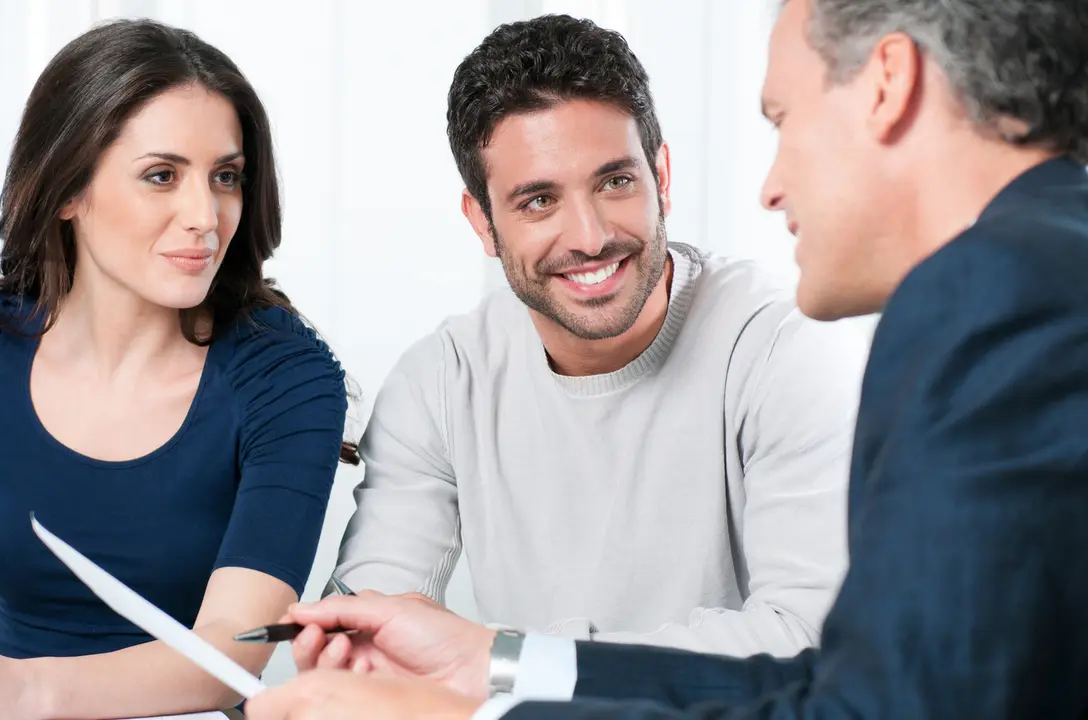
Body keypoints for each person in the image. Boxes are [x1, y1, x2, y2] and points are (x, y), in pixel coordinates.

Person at [243, 0, 1088, 717]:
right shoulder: (1030, 271)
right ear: (483, 221)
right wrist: (491, 663)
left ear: (888, 82)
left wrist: (479, 702)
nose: (770, 186)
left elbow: (860, 691)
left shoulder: (987, 296)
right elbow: (873, 685)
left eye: (783, 120)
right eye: (537, 199)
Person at [0, 18, 356, 720]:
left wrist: (23, 689)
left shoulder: (288, 377)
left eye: (225, 177)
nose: (205, 215)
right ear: (67, 191)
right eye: (162, 176)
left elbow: (228, 656)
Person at [328, 13, 867, 658]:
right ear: (483, 223)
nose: (589, 237)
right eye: (538, 201)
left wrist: (508, 664)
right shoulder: (441, 382)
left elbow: (810, 635)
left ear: (661, 178)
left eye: (615, 182)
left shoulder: (785, 348)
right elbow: (367, 633)